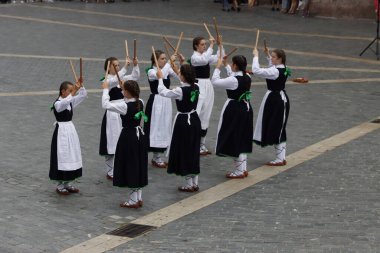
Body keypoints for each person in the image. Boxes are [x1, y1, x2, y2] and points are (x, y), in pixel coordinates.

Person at [101, 80, 148, 208]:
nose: (122, 91)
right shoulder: (140, 102)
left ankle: (133, 200)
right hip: (139, 136)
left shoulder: (124, 106)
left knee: (131, 165)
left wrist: (105, 89)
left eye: (124, 90)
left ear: (127, 92)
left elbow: (105, 104)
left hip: (129, 137)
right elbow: (127, 98)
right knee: (137, 164)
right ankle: (138, 197)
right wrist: (125, 87)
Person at [157, 64, 201, 192]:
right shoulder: (196, 86)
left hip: (183, 122)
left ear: (183, 76)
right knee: (193, 149)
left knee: (185, 150)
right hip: (194, 119)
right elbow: (184, 82)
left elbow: (163, 92)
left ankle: (188, 183)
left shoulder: (180, 91)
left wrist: (160, 78)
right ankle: (195, 182)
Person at [211, 55, 253, 178]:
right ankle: (243, 168)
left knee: (234, 137)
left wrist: (218, 67)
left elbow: (215, 81)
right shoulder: (247, 76)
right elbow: (233, 76)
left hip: (234, 109)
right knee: (242, 137)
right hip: (246, 109)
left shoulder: (234, 80)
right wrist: (226, 64)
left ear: (235, 65)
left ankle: (239, 170)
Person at [99, 56, 140, 180]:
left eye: (118, 65)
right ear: (108, 67)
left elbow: (135, 77)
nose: (117, 67)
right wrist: (125, 67)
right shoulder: (107, 80)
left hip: (122, 111)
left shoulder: (121, 78)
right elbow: (113, 81)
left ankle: (119, 167)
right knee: (112, 141)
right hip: (112, 112)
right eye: (115, 65)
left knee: (121, 139)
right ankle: (110, 170)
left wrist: (135, 65)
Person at [251, 47, 290, 166]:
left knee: (276, 127)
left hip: (275, 100)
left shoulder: (275, 71)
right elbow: (272, 68)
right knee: (279, 126)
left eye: (273, 57)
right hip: (277, 98)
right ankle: (281, 157)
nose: (271, 58)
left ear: (280, 59)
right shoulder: (283, 68)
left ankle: (280, 158)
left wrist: (256, 56)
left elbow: (256, 70)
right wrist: (268, 55)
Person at [49, 80, 87, 195]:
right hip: (61, 132)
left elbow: (83, 95)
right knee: (62, 156)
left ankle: (68, 182)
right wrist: (74, 91)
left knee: (71, 154)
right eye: (69, 91)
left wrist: (81, 87)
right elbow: (65, 103)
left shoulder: (69, 101)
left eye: (72, 90)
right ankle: (60, 185)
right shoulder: (58, 103)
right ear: (63, 91)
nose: (72, 93)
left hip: (70, 130)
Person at [145, 50, 180, 169]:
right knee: (156, 127)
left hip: (166, 101)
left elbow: (179, 77)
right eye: (162, 59)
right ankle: (155, 156)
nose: (164, 60)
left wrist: (177, 68)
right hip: (156, 101)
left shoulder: (167, 68)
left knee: (164, 126)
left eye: (165, 58)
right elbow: (160, 74)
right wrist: (169, 63)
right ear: (155, 60)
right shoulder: (151, 71)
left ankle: (158, 155)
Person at [190, 36, 224, 155]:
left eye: (205, 44)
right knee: (197, 113)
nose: (204, 46)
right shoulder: (194, 57)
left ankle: (201, 144)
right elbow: (204, 60)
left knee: (206, 114)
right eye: (202, 44)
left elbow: (219, 57)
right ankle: (193, 142)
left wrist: (220, 45)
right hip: (198, 85)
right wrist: (211, 46)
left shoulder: (205, 55)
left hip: (207, 85)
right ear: (196, 46)